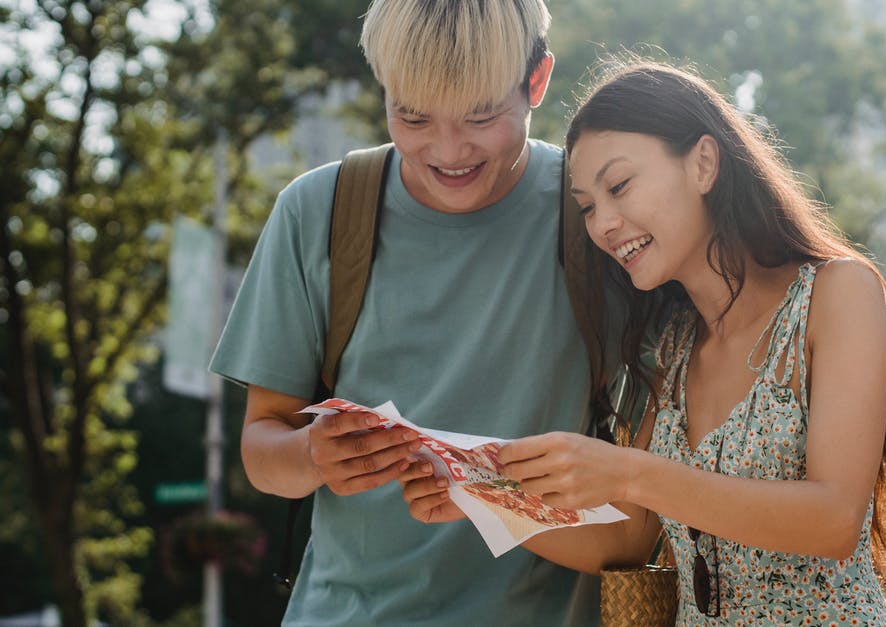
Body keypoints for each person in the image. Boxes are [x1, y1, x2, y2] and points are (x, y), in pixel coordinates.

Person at [402, 61, 886, 624]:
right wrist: (476, 492)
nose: (604, 223)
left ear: (704, 163)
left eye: (620, 186)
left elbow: (833, 520)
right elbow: (626, 542)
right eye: (587, 206)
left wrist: (629, 471)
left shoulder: (837, 293)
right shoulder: (675, 346)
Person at [209, 1, 603, 625]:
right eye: (412, 116)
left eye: (481, 116)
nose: (447, 151)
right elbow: (263, 449)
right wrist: (313, 453)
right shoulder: (319, 212)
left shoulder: (595, 212)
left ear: (537, 82)